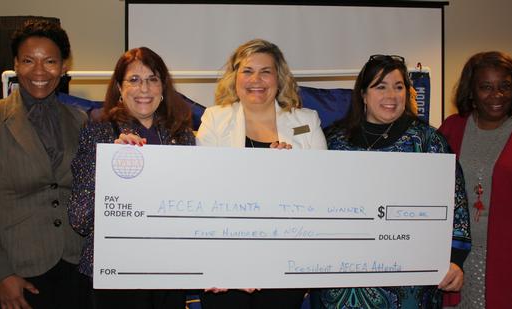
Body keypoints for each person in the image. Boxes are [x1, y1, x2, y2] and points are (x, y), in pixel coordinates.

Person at [315, 55, 472, 308]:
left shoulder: (428, 142)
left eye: (399, 87)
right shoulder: (333, 140)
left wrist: (455, 260)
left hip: (410, 287)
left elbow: (457, 206)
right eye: (381, 86)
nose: (392, 95)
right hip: (341, 286)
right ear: (364, 94)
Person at [0, 20, 89, 309]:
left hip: (75, 268)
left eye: (50, 61)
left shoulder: (79, 120)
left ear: (64, 66)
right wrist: (0, 274)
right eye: (29, 61)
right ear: (16, 65)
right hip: (19, 272)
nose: (40, 71)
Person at [196, 38, 326, 308]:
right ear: (235, 78)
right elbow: (205, 189)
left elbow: (321, 191)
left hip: (284, 258)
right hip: (225, 260)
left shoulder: (306, 121)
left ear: (279, 78)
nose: (256, 79)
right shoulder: (214, 118)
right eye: (247, 71)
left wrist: (289, 173)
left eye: (265, 71)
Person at [68, 47, 195, 309]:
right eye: (134, 80)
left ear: (163, 86)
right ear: (119, 87)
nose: (144, 89)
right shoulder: (99, 134)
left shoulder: (181, 135)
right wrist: (113, 169)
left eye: (152, 79)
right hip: (115, 274)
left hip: (168, 272)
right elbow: (79, 218)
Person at [439, 51, 512, 308]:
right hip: (457, 260)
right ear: (471, 91)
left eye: (504, 86)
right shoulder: (452, 128)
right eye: (486, 87)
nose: (496, 95)